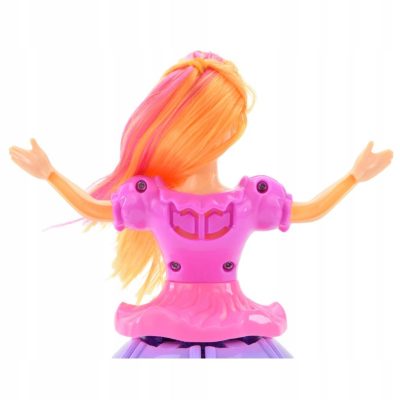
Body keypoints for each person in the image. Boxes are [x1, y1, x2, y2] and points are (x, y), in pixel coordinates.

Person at [9, 51, 393, 358]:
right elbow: (94, 209)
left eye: (218, 122)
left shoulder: (251, 200)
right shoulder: (152, 200)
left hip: (236, 320)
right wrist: (50, 174)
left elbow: (309, 211)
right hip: (166, 324)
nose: (209, 134)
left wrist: (353, 177)